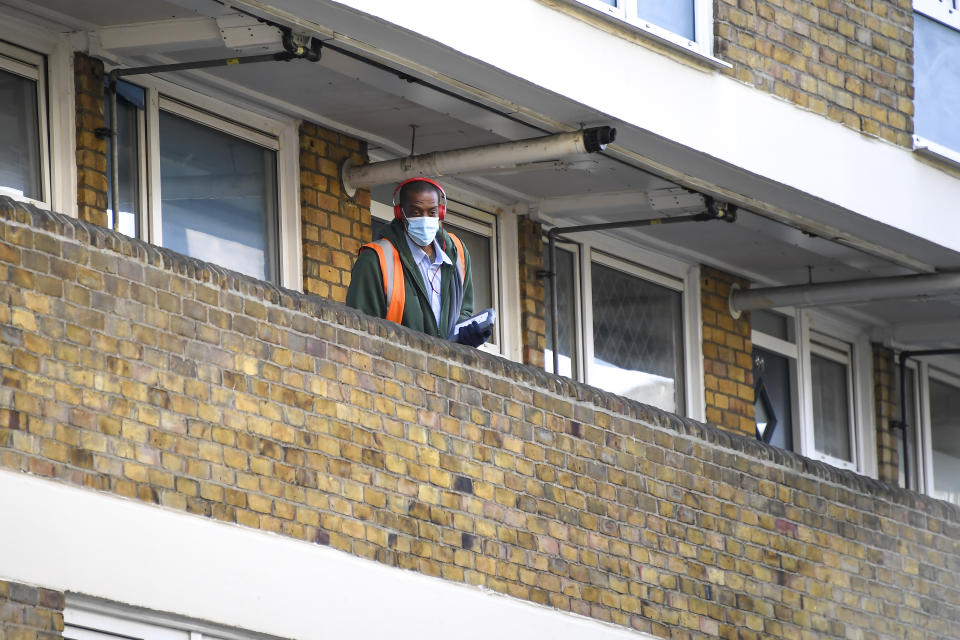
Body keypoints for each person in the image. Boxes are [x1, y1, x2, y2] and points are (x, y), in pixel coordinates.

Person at [345, 178, 491, 347]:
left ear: (441, 213)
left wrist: (467, 337)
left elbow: (463, 311)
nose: (424, 218)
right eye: (415, 212)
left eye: (432, 212)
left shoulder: (458, 254)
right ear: (400, 214)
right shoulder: (375, 259)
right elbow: (359, 329)